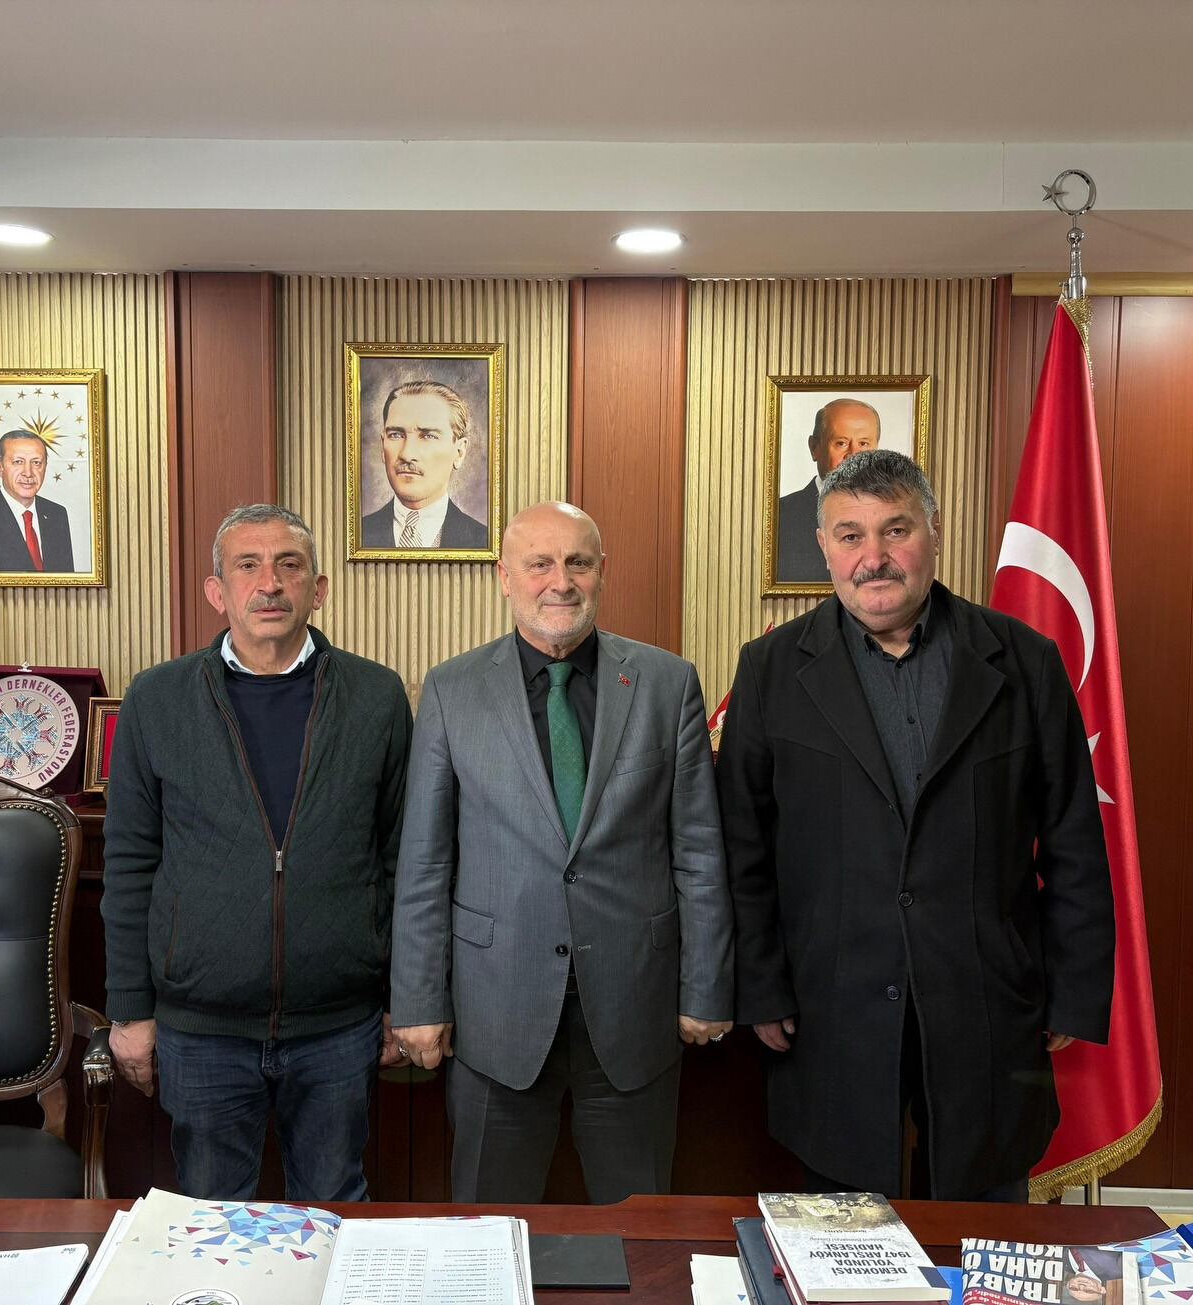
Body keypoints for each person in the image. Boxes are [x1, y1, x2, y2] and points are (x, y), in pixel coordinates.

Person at [719, 449, 1114, 1201]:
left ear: (933, 532)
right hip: (827, 1002)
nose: (873, 557)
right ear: (825, 547)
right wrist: (760, 986)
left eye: (895, 530)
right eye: (850, 535)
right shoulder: (769, 668)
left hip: (986, 997)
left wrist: (1072, 991)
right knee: (843, 1231)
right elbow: (743, 845)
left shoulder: (1026, 662)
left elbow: (1073, 840)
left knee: (983, 1213)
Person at [390, 500, 733, 1202]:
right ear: (504, 576)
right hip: (494, 1014)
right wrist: (418, 1000)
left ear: (602, 571)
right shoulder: (452, 689)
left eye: (578, 562)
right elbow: (424, 861)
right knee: (487, 1230)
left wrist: (706, 986)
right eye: (539, 563)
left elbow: (698, 850)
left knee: (641, 1231)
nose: (561, 581)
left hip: (635, 1008)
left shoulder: (667, 683)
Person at [101, 503, 412, 1201]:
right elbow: (128, 863)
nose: (269, 583)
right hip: (200, 1029)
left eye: (288, 565)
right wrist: (129, 1010)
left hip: (339, 1025)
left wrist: (402, 997)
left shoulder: (376, 697)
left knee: (335, 1213)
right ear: (217, 591)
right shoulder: (157, 698)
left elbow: (399, 858)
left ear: (318, 588)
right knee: (212, 1228)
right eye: (248, 566)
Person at [360, 380, 488, 548]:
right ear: (383, 446)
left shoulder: (485, 543)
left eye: (428, 436)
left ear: (459, 452)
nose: (407, 454)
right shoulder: (354, 536)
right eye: (396, 435)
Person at [776, 397, 880, 582]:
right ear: (814, 448)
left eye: (863, 444)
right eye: (841, 443)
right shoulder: (778, 516)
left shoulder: (896, 516)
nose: (853, 455)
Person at [0, 429, 75, 572]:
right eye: (18, 462)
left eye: (36, 463)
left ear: (45, 467)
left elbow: (66, 580)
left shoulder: (56, 514)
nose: (28, 473)